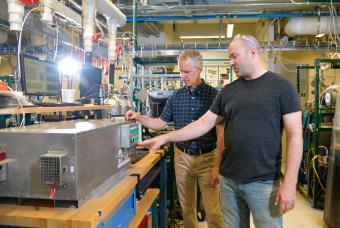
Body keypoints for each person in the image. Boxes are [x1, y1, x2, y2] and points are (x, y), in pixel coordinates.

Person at [138, 34, 303, 228]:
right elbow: (202, 124)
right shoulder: (228, 92)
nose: (231, 61)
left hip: (264, 182)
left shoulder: (281, 87)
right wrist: (165, 138)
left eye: (235, 56)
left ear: (252, 52)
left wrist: (290, 183)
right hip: (229, 181)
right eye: (229, 57)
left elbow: (295, 135)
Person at [125, 50, 224, 228]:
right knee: (187, 208)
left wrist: (217, 165)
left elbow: (221, 134)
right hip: (182, 157)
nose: (182, 76)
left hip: (207, 158)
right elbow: (159, 123)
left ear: (199, 69)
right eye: (181, 71)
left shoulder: (214, 96)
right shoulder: (176, 97)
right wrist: (139, 117)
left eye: (187, 72)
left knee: (213, 210)